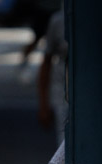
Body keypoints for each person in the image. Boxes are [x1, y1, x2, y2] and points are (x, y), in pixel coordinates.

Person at [37, 9, 66, 145]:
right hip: (63, 89)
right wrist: (44, 104)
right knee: (64, 139)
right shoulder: (59, 20)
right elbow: (46, 62)